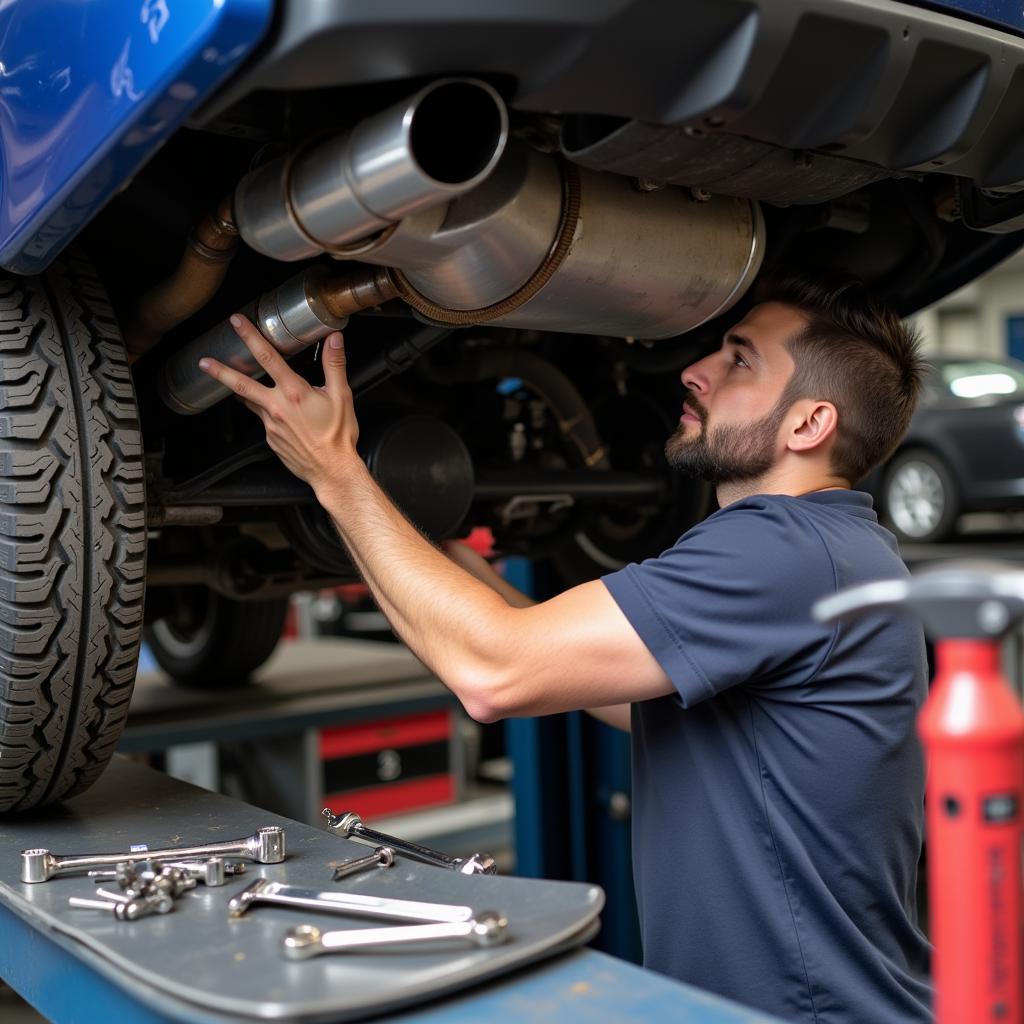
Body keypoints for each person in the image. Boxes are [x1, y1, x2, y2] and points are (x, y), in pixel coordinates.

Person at [198, 272, 932, 1023]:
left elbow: (493, 674)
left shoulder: (783, 550)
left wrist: (337, 472)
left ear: (807, 424)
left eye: (739, 360)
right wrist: (445, 556)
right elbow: (621, 696)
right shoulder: (832, 550)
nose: (696, 369)